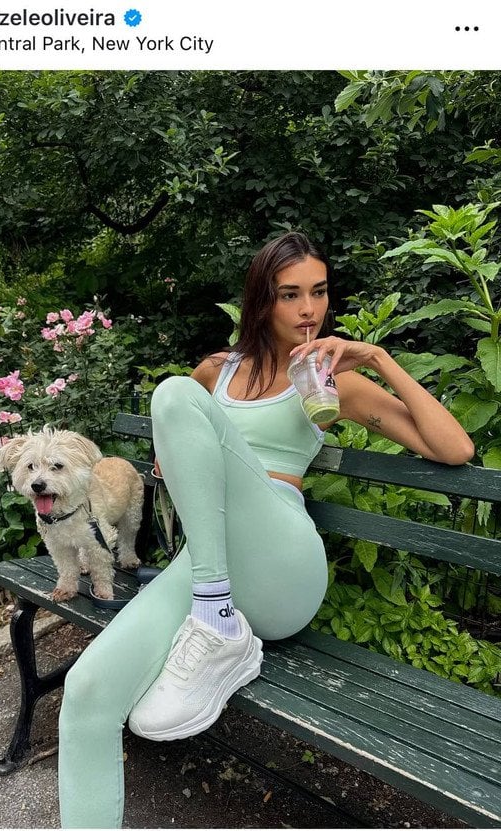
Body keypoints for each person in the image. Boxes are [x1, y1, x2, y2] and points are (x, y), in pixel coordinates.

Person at [58, 231, 474, 828]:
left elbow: (455, 448)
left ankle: (215, 619)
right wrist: (180, 457)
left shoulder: (330, 380)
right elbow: (177, 444)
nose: (309, 310)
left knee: (172, 393)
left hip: (282, 565)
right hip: (212, 568)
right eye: (290, 294)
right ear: (261, 300)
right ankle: (215, 620)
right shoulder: (215, 373)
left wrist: (377, 359)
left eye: (319, 292)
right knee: (86, 693)